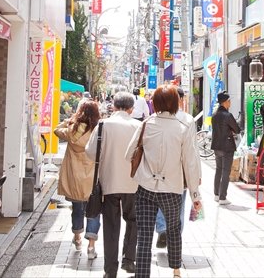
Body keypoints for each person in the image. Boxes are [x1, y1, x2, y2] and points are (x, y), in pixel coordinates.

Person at [126, 85, 202, 278]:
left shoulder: (147, 123)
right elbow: (190, 162)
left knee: (144, 235)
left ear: (155, 103)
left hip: (145, 188)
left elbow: (129, 154)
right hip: (172, 189)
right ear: (176, 102)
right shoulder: (184, 126)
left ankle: (142, 275)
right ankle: (176, 271)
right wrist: (195, 195)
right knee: (174, 229)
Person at [86, 91, 141, 277]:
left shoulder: (103, 125)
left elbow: (90, 152)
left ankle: (110, 270)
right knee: (133, 221)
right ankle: (129, 260)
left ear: (114, 106)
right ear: (132, 109)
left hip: (109, 183)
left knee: (111, 225)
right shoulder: (138, 125)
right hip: (134, 183)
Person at [154, 87, 200, 249]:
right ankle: (175, 237)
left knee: (159, 201)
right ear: (179, 99)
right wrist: (196, 176)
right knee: (178, 205)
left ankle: (161, 228)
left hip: (158, 172)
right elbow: (193, 152)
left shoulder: (153, 119)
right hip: (180, 172)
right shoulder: (187, 120)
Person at [54, 100, 101, 256]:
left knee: (77, 208)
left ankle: (77, 237)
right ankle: (91, 246)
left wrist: (69, 120)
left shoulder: (73, 129)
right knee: (94, 210)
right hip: (93, 177)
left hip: (75, 176)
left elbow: (56, 130)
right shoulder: (98, 130)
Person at [211, 91, 240, 205]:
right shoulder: (228, 115)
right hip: (227, 146)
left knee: (218, 170)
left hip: (216, 146)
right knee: (225, 171)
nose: (230, 103)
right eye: (229, 101)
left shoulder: (214, 114)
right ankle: (223, 197)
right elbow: (237, 129)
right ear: (225, 102)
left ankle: (216, 195)